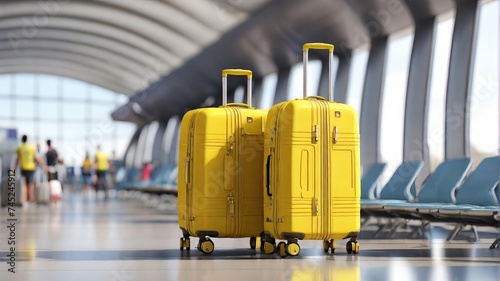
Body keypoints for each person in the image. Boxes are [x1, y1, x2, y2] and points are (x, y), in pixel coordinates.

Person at [13, 135, 46, 205]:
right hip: (31, 168)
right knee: (31, 185)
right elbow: (36, 159)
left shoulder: (20, 148)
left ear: (22, 140)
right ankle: (31, 200)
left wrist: (14, 169)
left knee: (24, 184)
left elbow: (17, 160)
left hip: (23, 168)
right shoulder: (31, 148)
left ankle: (24, 200)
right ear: (27, 140)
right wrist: (42, 166)